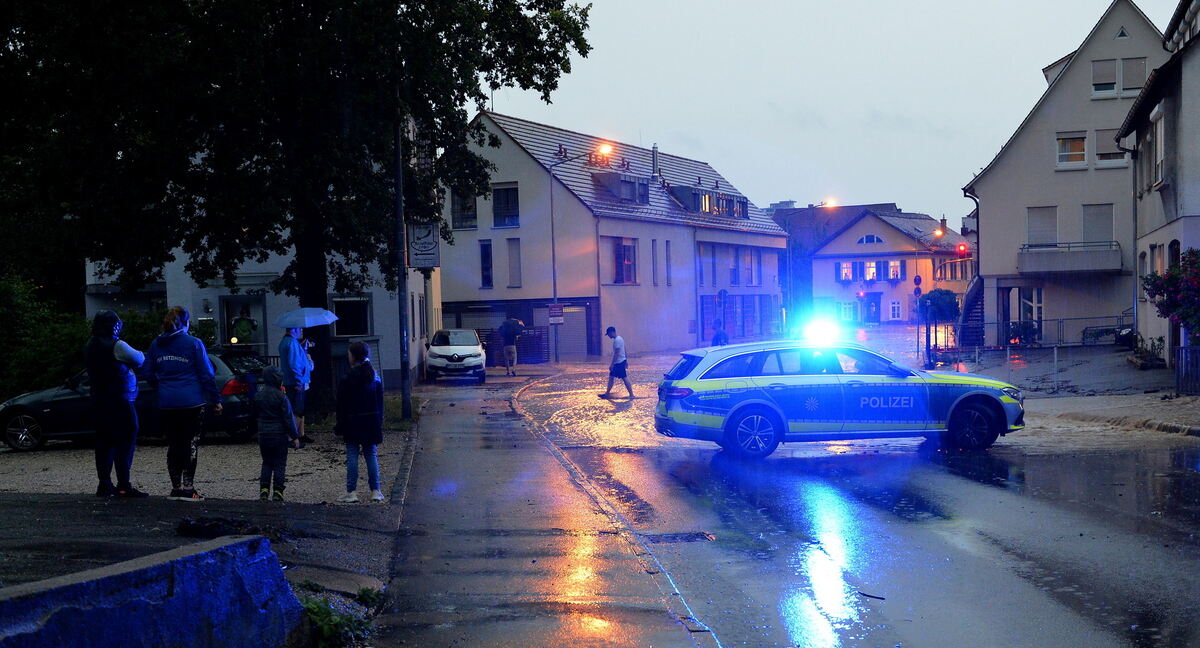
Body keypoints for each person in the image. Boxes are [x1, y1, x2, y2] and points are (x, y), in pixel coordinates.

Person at [147, 306, 222, 502]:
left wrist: (160, 385)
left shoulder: (156, 344)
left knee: (173, 444)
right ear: (186, 322)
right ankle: (189, 488)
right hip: (191, 400)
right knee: (190, 443)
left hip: (167, 402)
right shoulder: (194, 343)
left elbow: (147, 372)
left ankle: (176, 487)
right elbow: (206, 373)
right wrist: (216, 399)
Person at [84, 310, 148, 498]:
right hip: (120, 400)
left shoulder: (90, 345)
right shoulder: (117, 345)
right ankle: (123, 484)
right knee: (126, 441)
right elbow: (139, 358)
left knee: (104, 443)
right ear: (114, 325)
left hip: (99, 399)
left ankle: (104, 484)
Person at [335, 341, 385, 503]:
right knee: (371, 454)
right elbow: (380, 401)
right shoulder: (374, 377)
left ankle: (352, 492)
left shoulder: (347, 379)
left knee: (352, 455)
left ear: (353, 356)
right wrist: (379, 419)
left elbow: (341, 404)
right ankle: (375, 490)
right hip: (371, 420)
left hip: (352, 421)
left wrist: (340, 424)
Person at [255, 367, 300, 501]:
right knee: (280, 463)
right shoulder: (282, 397)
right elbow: (288, 418)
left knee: (267, 462)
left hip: (263, 433)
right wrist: (295, 436)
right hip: (279, 434)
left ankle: (264, 490)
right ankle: (278, 492)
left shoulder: (259, 396)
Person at [278, 327, 314, 441]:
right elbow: (294, 364)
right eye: (299, 328)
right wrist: (299, 381)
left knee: (297, 409)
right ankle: (291, 438)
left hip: (291, 380)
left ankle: (298, 435)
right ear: (293, 329)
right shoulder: (292, 342)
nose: (301, 330)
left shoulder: (285, 342)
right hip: (296, 381)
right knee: (297, 411)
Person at [598, 326, 634, 399]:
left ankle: (631, 395)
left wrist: (612, 364)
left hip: (619, 362)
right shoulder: (620, 339)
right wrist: (626, 360)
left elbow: (616, 353)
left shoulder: (617, 340)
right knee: (611, 377)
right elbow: (624, 350)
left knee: (624, 378)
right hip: (621, 361)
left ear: (612, 332)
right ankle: (607, 393)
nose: (608, 336)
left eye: (608, 334)